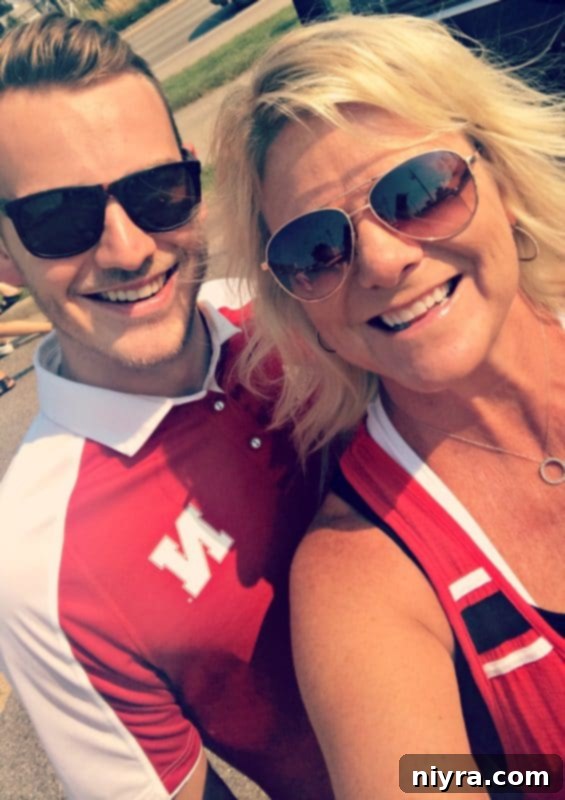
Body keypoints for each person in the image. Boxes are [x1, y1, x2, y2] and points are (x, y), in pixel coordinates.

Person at [212, 14, 565, 798]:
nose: (381, 259)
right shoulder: (363, 578)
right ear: (298, 305)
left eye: (418, 191)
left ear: (500, 180)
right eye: (317, 249)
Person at [0, 15, 332, 800]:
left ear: (194, 182)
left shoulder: (293, 308)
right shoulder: (39, 570)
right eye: (60, 219)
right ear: (4, 253)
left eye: (157, 193)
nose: (126, 249)